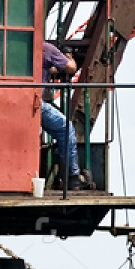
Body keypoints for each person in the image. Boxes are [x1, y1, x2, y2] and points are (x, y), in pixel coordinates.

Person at [41, 40, 93, 190]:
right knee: (65, 128)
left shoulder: (20, 46)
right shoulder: (46, 49)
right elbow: (71, 68)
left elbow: (46, 70)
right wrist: (69, 56)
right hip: (34, 103)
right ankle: (73, 176)